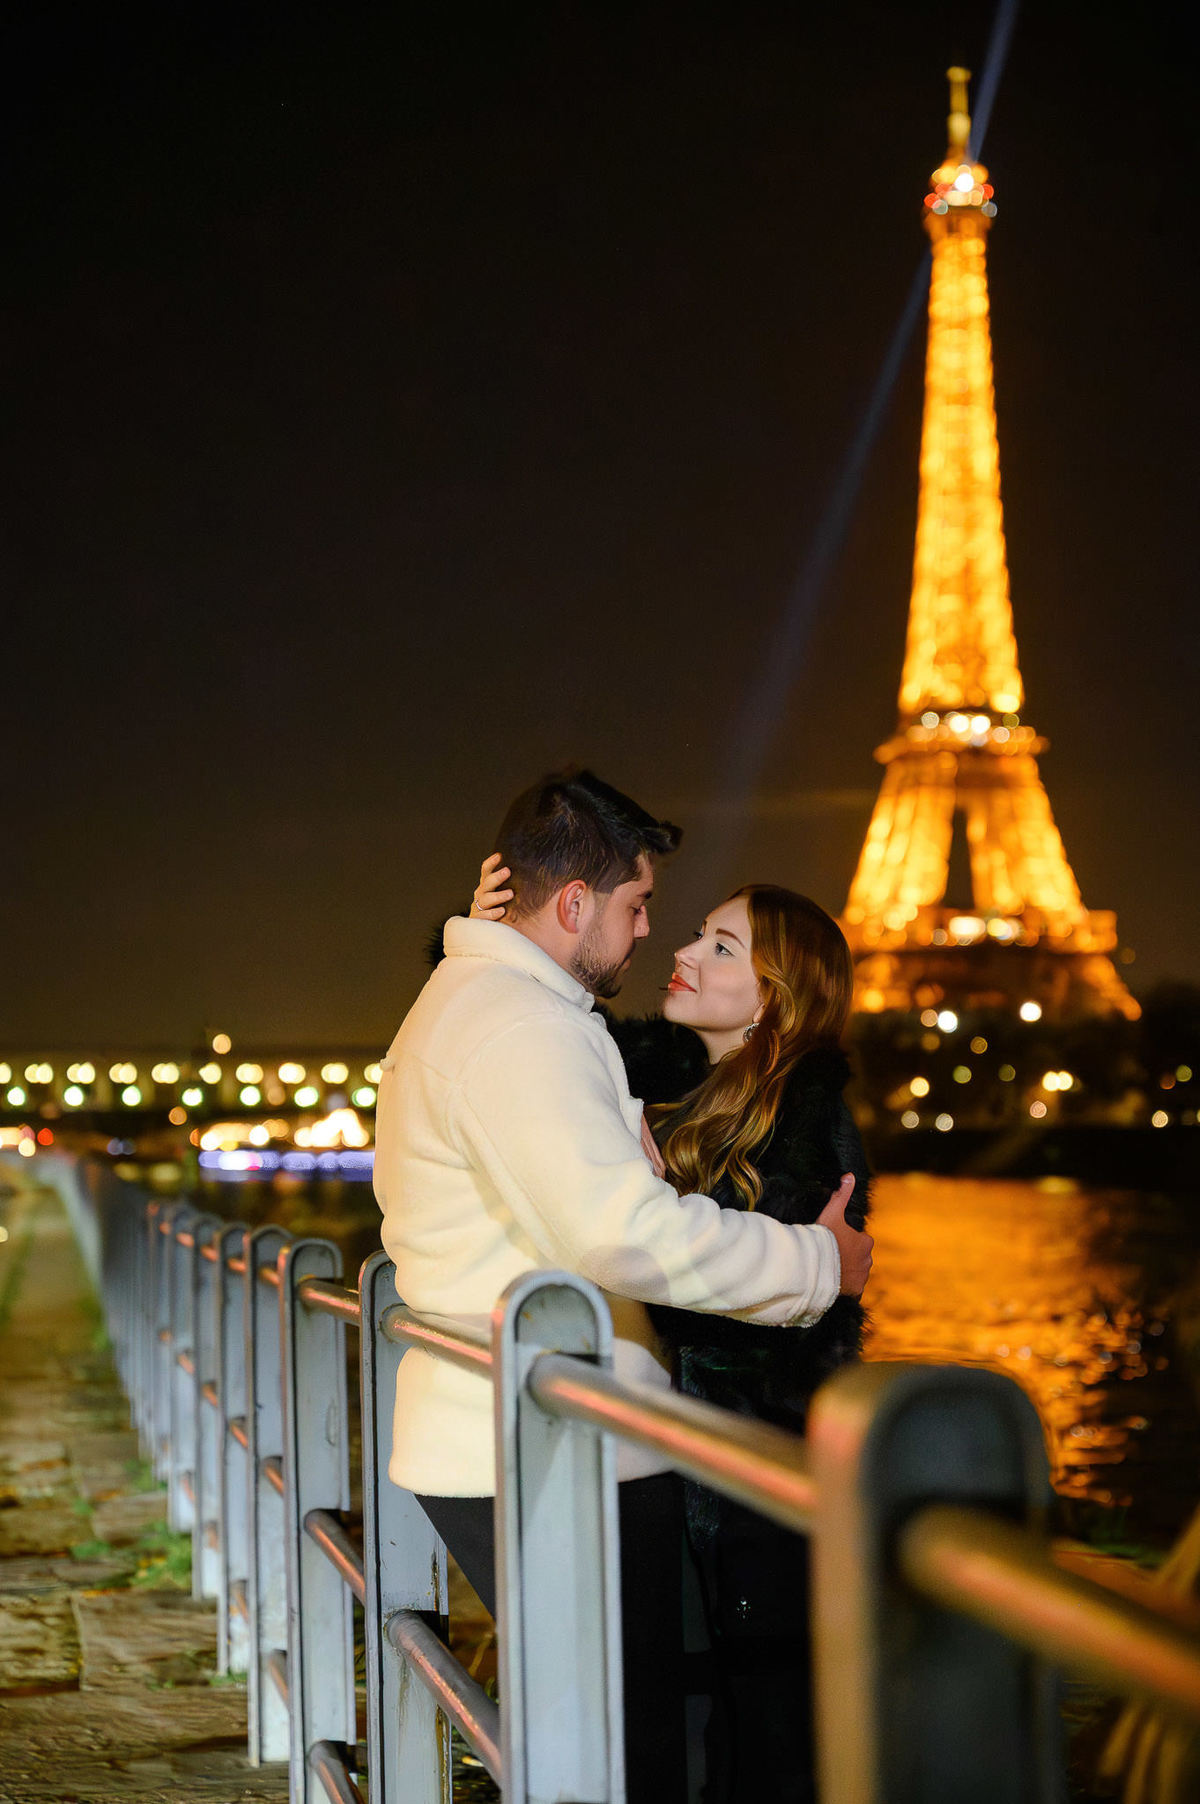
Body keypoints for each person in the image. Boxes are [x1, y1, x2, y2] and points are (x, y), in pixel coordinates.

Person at [374, 768, 872, 1804]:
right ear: (572, 905)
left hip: (528, 1430)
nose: (652, 934)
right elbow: (622, 1234)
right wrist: (819, 1262)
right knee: (635, 1752)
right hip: (563, 1448)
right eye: (637, 905)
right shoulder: (519, 1024)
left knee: (606, 1742)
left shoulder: (501, 1006)